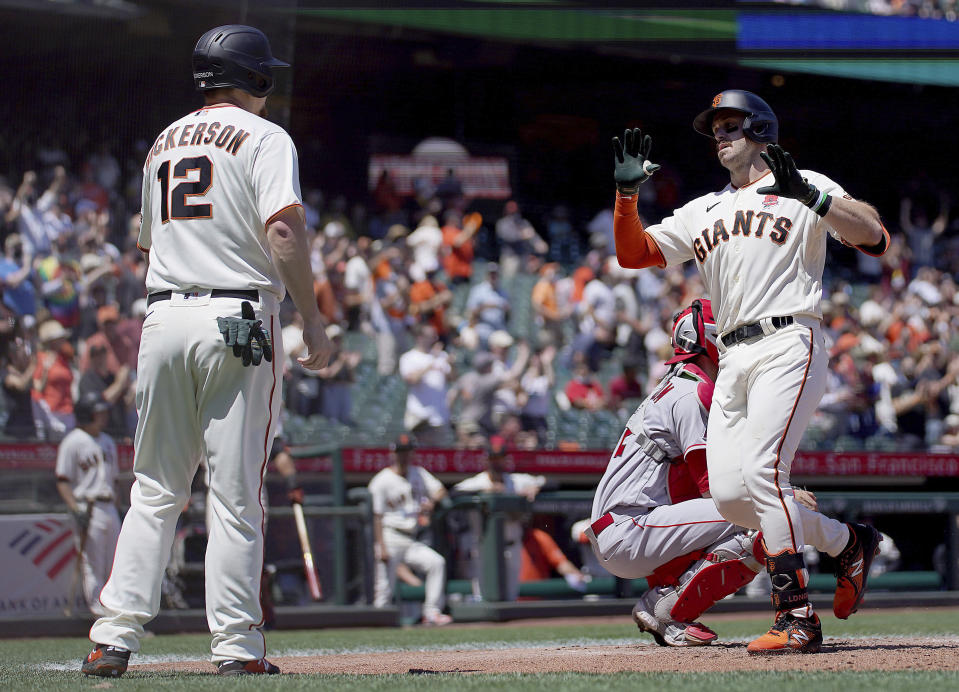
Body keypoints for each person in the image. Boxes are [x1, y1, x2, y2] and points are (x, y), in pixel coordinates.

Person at [83, 25, 333, 678]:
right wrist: (312, 317)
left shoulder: (162, 141)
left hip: (163, 315)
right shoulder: (265, 136)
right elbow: (281, 228)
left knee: (155, 488)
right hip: (237, 315)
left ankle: (113, 637)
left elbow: (146, 242)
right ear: (254, 77)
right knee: (233, 493)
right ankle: (236, 647)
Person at [610, 90, 887, 654]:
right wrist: (626, 195)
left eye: (731, 124)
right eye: (715, 128)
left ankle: (796, 616)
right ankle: (848, 542)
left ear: (761, 129)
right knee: (737, 500)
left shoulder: (803, 182)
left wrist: (813, 198)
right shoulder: (703, 208)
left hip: (789, 337)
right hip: (732, 354)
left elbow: (875, 236)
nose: (720, 135)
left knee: (762, 472)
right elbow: (635, 254)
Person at [368, 434, 452, 626]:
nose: (403, 456)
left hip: (412, 538)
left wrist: (432, 502)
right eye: (400, 452)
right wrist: (380, 544)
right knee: (384, 588)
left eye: (407, 452)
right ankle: (379, 624)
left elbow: (440, 490)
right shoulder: (381, 480)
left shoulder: (419, 473)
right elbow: (377, 516)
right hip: (390, 536)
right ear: (393, 453)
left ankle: (432, 612)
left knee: (436, 562)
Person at [453, 437, 546, 601]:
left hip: (511, 545)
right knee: (482, 595)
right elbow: (453, 494)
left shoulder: (515, 480)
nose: (496, 462)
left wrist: (535, 487)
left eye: (500, 458)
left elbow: (549, 481)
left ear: (506, 460)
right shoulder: (478, 482)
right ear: (486, 460)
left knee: (510, 596)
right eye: (493, 458)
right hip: (484, 548)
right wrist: (484, 491)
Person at [55, 393, 120, 617]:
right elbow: (62, 480)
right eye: (98, 412)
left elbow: (115, 479)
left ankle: (115, 610)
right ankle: (99, 613)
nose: (103, 416)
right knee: (92, 563)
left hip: (109, 505)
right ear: (87, 414)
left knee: (115, 562)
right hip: (88, 506)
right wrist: (75, 509)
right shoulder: (72, 441)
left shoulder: (108, 441)